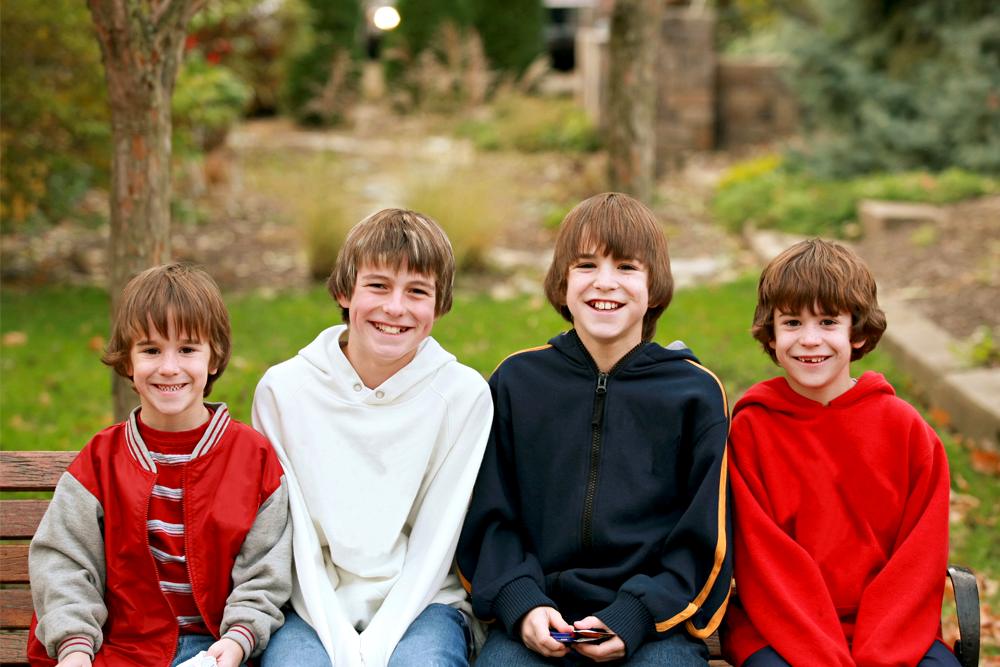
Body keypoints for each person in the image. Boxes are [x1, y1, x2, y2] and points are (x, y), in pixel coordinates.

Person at [457, 192, 732, 666]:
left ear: (656, 287)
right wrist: (521, 604)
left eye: (627, 267)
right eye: (586, 265)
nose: (605, 283)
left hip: (650, 627)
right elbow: (487, 519)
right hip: (538, 615)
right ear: (562, 282)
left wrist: (635, 615)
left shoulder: (694, 393)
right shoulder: (516, 383)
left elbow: (704, 539)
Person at [252, 209, 493, 667]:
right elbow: (296, 540)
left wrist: (376, 650)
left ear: (439, 306)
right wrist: (346, 651)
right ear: (345, 290)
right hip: (310, 605)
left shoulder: (463, 397)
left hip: (424, 605)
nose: (395, 308)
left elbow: (434, 544)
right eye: (378, 285)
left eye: (417, 291)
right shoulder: (283, 393)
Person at [28, 264, 292, 667]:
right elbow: (64, 560)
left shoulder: (251, 457)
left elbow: (265, 569)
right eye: (151, 350)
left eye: (187, 350)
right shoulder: (101, 460)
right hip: (124, 650)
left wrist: (239, 638)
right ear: (128, 362)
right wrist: (75, 646)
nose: (169, 367)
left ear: (215, 358)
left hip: (222, 650)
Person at [721, 239, 958, 667]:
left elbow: (919, 560)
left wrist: (877, 654)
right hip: (781, 629)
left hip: (893, 630)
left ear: (859, 331)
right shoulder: (751, 429)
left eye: (828, 321)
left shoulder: (904, 429)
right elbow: (764, 561)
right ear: (771, 336)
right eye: (791, 323)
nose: (809, 340)